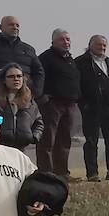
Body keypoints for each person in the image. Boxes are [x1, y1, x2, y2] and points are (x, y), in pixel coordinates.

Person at [75, 35, 109, 182]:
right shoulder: (81, 62)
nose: (102, 48)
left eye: (104, 46)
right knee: (91, 141)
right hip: (92, 108)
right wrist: (83, 104)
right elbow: (77, 85)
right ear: (90, 45)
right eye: (98, 45)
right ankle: (92, 173)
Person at [35, 29, 81, 179]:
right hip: (52, 103)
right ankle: (46, 172)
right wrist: (41, 96)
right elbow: (37, 77)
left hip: (70, 104)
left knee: (65, 139)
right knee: (48, 139)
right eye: (62, 39)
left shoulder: (70, 59)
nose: (66, 42)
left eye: (68, 39)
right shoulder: (45, 58)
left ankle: (62, 173)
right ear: (53, 41)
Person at [0, 16, 44, 95]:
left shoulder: (29, 49)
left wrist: (36, 91)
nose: (15, 28)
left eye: (17, 25)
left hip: (24, 95)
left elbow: (39, 71)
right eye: (11, 25)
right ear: (1, 27)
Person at [0, 64, 44, 151]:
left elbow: (39, 123)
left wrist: (34, 137)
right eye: (11, 76)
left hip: (21, 148)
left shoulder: (30, 101)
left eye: (19, 76)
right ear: (4, 80)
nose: (16, 79)